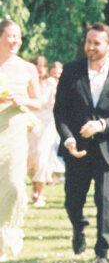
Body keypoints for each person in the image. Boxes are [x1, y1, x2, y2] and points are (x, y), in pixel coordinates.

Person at [53, 23, 109, 263]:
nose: (90, 47)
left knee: (104, 199)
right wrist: (68, 138)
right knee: (72, 200)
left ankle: (102, 252)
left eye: (96, 43)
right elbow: (60, 112)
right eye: (88, 42)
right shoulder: (71, 72)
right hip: (76, 149)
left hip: (108, 149)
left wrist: (102, 125)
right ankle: (78, 228)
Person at [0, 20, 42, 261]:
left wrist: (23, 101)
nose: (16, 40)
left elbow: (39, 102)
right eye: (10, 35)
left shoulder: (28, 69)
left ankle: (8, 233)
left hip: (15, 132)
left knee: (14, 187)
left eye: (18, 36)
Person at [27, 55, 58, 205]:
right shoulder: (26, 84)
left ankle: (39, 194)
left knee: (42, 157)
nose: (39, 71)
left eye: (42, 67)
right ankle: (33, 188)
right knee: (29, 158)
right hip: (28, 125)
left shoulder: (51, 84)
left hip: (46, 125)